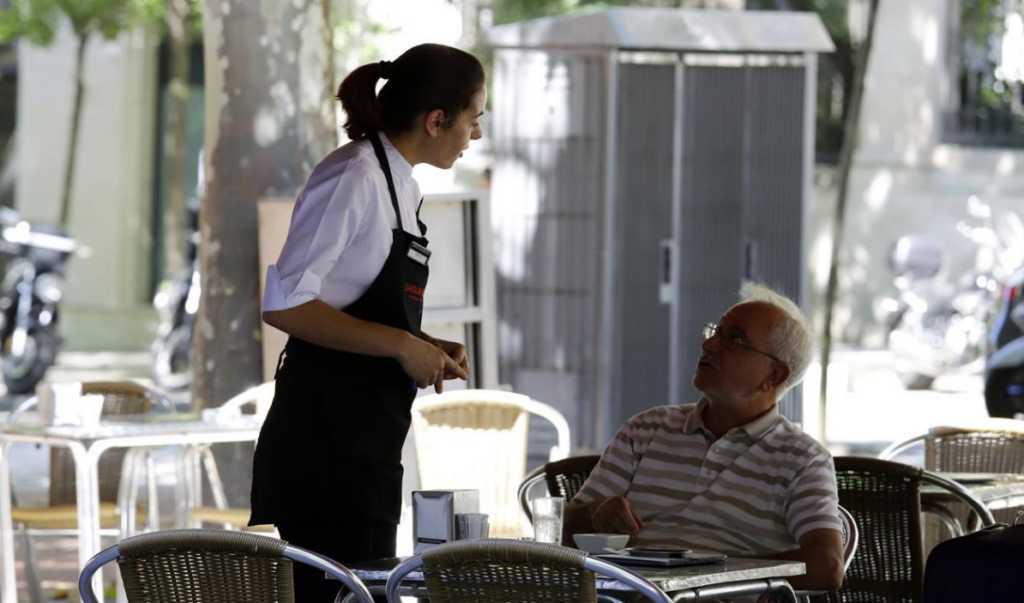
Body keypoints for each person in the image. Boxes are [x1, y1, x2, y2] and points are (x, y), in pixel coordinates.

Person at [249, 44, 485, 602]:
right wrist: (401, 343)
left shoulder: (401, 183)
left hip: (370, 445)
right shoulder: (353, 175)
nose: (476, 135)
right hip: (323, 447)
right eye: (473, 119)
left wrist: (424, 344)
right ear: (436, 120)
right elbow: (285, 305)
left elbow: (350, 302)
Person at [564, 282, 844, 593]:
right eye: (715, 332)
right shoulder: (646, 428)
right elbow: (562, 532)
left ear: (773, 375)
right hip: (620, 595)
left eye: (734, 339)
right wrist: (595, 513)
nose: (709, 345)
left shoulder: (802, 459)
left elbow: (828, 565)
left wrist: (709, 579)